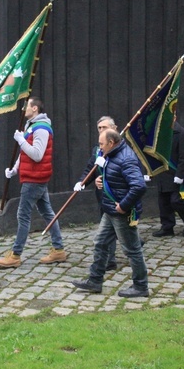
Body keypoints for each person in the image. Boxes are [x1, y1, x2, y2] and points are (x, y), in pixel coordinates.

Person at [71, 128, 149, 298]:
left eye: (101, 144)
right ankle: (95, 280)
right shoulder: (109, 155)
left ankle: (141, 286)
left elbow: (139, 186)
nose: (99, 147)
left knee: (132, 250)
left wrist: (124, 205)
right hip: (109, 210)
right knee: (100, 242)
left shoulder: (126, 159)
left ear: (111, 143)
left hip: (122, 212)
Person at [0, 97, 67, 268]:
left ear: (34, 108)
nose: (24, 109)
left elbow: (37, 154)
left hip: (34, 178)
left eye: (27, 106)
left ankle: (15, 255)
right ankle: (59, 250)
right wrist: (15, 168)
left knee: (23, 215)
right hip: (34, 176)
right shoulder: (33, 126)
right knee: (48, 213)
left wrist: (20, 140)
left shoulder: (41, 128)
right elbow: (25, 153)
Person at [73, 115, 118, 270]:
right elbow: (90, 169)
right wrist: (82, 182)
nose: (101, 131)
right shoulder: (97, 149)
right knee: (111, 227)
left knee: (112, 228)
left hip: (118, 196)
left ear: (114, 129)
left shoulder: (123, 148)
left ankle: (111, 259)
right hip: (102, 196)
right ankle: (111, 258)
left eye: (104, 128)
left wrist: (105, 178)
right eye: (99, 128)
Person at [152, 114, 184, 238]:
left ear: (175, 117)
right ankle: (167, 227)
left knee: (176, 201)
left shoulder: (182, 133)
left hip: (176, 173)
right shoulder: (159, 133)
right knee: (163, 202)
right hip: (163, 173)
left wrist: (180, 175)